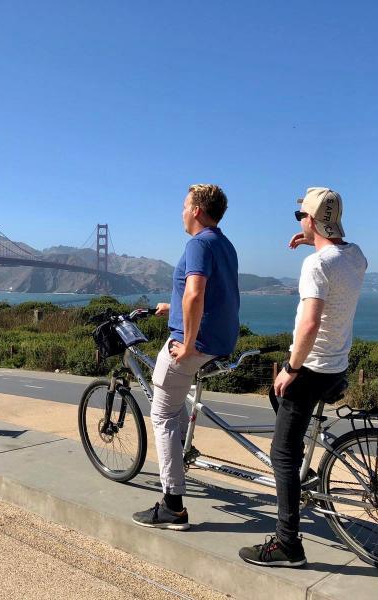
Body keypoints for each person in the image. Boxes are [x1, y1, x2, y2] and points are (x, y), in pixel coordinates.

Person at [239, 187, 367, 567]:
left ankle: (287, 544)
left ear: (311, 220)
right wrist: (316, 240)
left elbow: (310, 323)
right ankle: (302, 466)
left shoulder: (316, 266)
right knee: (279, 406)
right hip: (337, 365)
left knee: (281, 455)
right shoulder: (356, 256)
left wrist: (291, 368)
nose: (298, 223)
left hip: (310, 369)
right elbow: (339, 256)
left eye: (301, 218)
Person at [132, 184, 240, 530]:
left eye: (183, 206)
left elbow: (195, 294)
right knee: (175, 408)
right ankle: (179, 455)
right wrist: (172, 307)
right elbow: (203, 294)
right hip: (222, 341)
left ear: (196, 210)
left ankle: (173, 505)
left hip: (195, 345)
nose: (180, 212)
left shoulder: (197, 243)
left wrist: (189, 342)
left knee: (162, 415)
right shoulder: (224, 243)